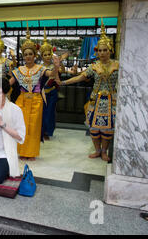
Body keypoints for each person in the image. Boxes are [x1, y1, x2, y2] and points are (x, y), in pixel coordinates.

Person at [55, 21, 118, 162]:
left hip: (111, 101)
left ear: (110, 50)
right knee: (94, 128)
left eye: (105, 50)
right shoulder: (94, 66)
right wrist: (63, 82)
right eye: (99, 50)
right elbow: (80, 77)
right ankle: (97, 150)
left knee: (108, 129)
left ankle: (104, 151)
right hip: (95, 101)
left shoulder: (118, 65)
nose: (102, 53)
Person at [9, 24, 60, 161]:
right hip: (22, 101)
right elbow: (9, 83)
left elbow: (51, 75)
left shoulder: (40, 68)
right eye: (25, 54)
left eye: (30, 54)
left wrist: (56, 67)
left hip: (37, 100)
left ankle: (31, 153)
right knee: (21, 126)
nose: (28, 57)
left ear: (34, 55)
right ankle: (22, 151)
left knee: (34, 128)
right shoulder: (19, 70)